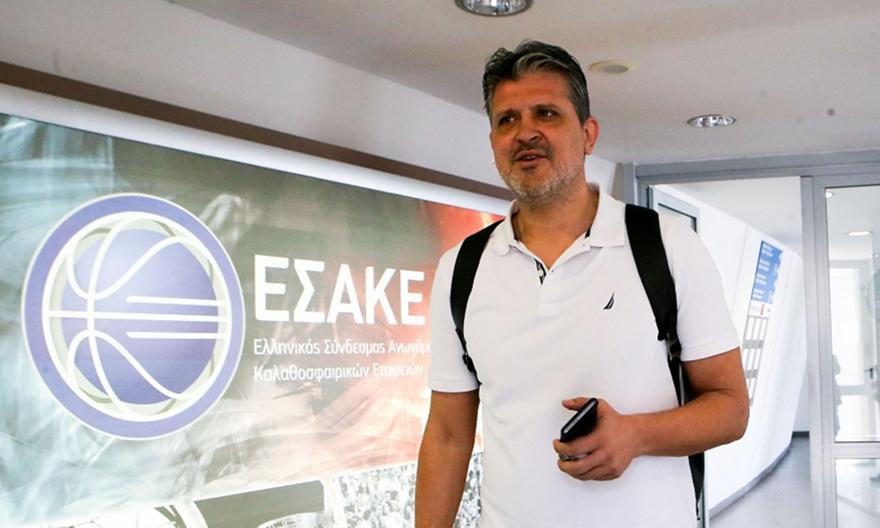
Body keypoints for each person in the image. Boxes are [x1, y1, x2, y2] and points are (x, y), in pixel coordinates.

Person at [414, 40, 749, 527]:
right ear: (493, 143)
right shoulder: (461, 268)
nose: (525, 132)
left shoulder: (666, 246)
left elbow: (731, 408)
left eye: (546, 113)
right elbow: (447, 435)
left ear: (588, 134)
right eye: (507, 120)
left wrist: (636, 435)